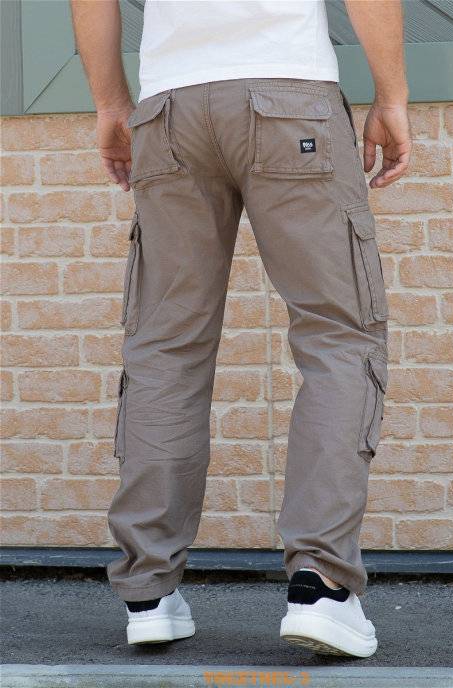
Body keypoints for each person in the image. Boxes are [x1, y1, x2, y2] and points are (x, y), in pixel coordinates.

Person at [71, 0, 411, 657]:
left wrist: (111, 103)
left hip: (170, 106)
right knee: (338, 336)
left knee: (165, 348)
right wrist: (391, 95)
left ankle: (148, 591)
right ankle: (321, 586)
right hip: (291, 93)